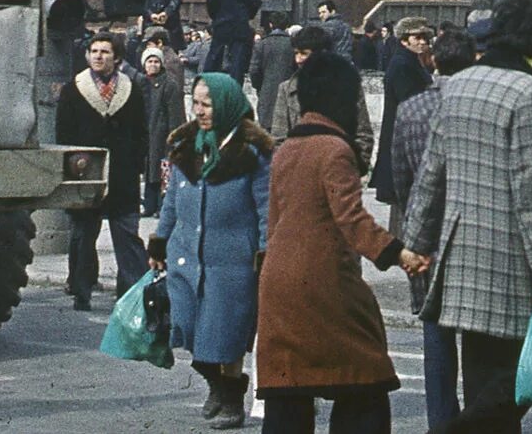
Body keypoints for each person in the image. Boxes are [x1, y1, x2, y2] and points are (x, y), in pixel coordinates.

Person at [404, 0, 532, 434]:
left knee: (480, 374)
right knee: (515, 381)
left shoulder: (457, 85)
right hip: (509, 258)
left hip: (459, 256)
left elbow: (431, 173)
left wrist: (414, 243)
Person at [256, 53, 426, 433]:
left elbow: (274, 221)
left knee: (289, 388)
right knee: (364, 374)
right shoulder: (334, 150)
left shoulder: (285, 150)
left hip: (278, 282)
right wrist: (399, 253)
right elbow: (351, 218)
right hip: (322, 280)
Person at [148, 73, 272, 429]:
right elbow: (171, 200)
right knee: (186, 328)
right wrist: (160, 239)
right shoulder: (185, 146)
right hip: (186, 255)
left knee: (224, 333)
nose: (199, 111)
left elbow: (266, 208)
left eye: (207, 104)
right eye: (196, 103)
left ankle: (231, 400)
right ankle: (217, 384)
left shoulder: (253, 154)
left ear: (227, 104)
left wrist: (264, 253)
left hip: (232, 260)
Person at [391, 27, 477, 430]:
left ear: (433, 61)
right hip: (475, 233)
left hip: (427, 235)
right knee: (479, 340)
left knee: (436, 337)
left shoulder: (410, 110)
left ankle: (440, 421)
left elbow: (402, 179)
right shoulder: (480, 107)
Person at [55, 35, 148, 311]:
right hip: (85, 174)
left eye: (105, 52)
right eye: (94, 51)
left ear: (116, 58)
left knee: (127, 235)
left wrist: (136, 164)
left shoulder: (132, 88)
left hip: (123, 175)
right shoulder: (74, 89)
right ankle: (81, 290)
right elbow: (63, 132)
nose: (98, 56)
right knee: (83, 236)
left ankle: (130, 293)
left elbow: (140, 131)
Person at [269, 28, 375, 170]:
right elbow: (278, 139)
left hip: (339, 172)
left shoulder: (348, 87)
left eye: (304, 53)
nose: (298, 59)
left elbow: (363, 134)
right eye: (296, 53)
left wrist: (354, 168)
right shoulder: (286, 89)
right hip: (299, 173)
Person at [370, 18, 433, 214]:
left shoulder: (407, 61)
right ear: (404, 40)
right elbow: (410, 103)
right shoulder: (403, 65)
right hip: (403, 138)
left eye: (425, 38)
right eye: (417, 37)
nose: (423, 42)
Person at [139, 43, 187, 218]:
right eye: (149, 61)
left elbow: (175, 112)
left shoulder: (169, 84)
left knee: (163, 171)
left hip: (163, 134)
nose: (153, 65)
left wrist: (174, 137)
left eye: (156, 61)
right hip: (147, 134)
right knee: (149, 170)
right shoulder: (142, 82)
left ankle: (162, 206)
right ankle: (149, 204)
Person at [204, 0, 261, 83]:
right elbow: (256, 1)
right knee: (238, 61)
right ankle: (235, 90)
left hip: (221, 21)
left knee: (214, 55)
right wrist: (247, 15)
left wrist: (215, 16)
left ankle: (209, 85)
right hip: (240, 22)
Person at [248, 14, 297, 128]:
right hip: (289, 92)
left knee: (267, 129)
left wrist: (259, 86)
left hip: (266, 92)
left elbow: (254, 70)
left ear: (270, 25)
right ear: (287, 25)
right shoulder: (293, 44)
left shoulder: (262, 44)